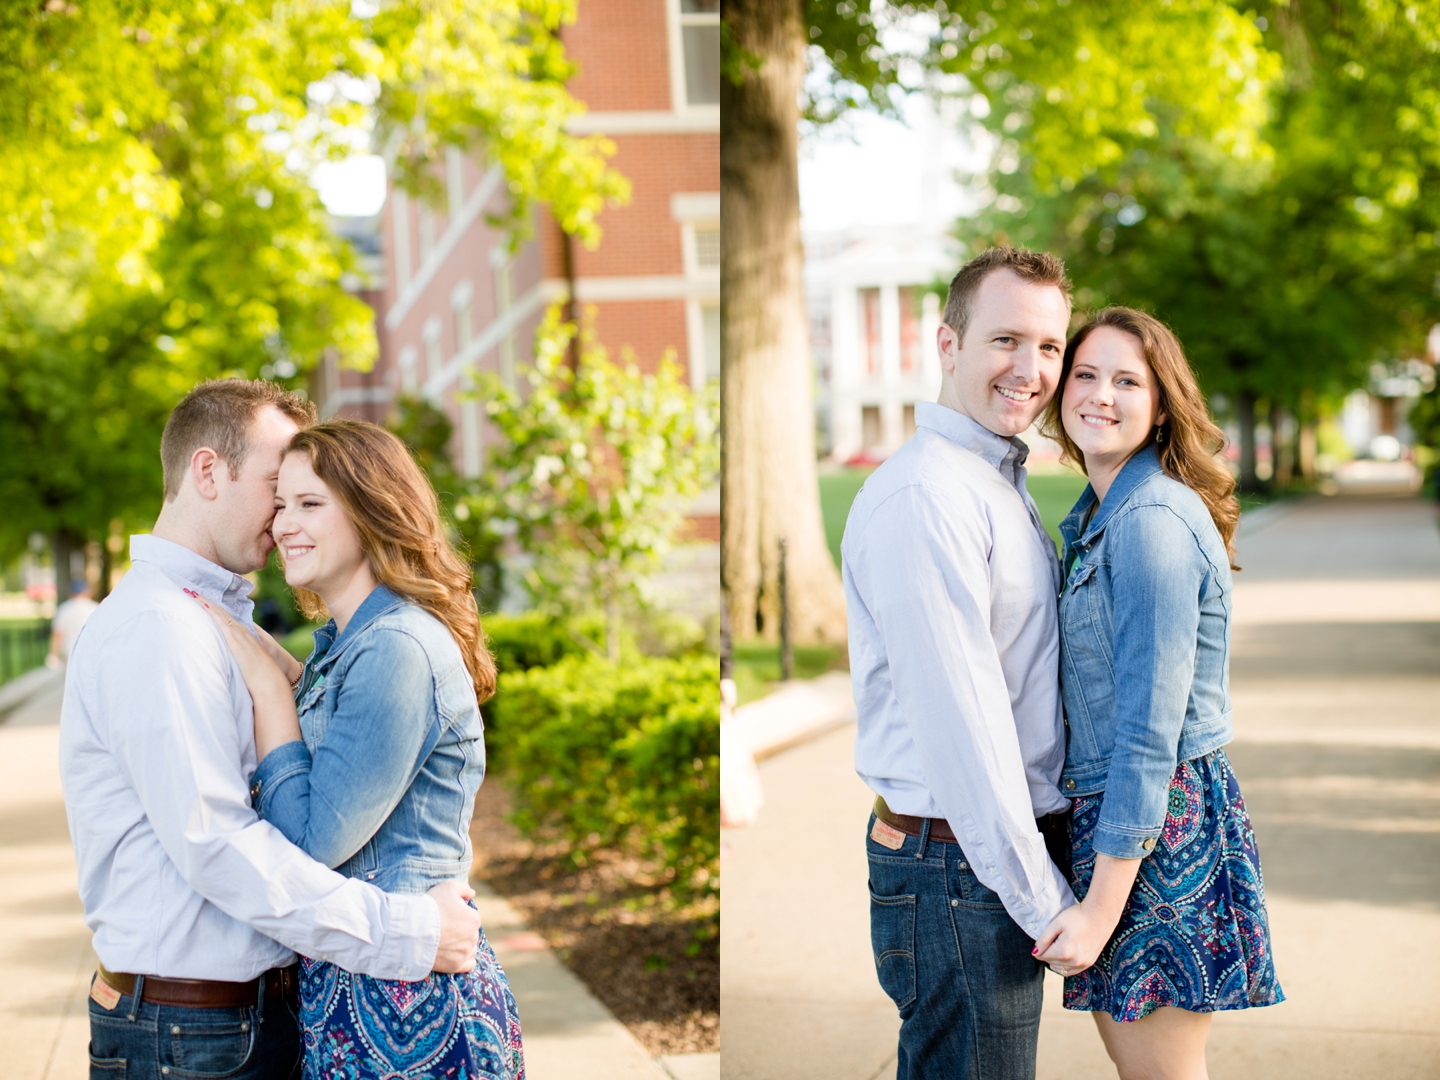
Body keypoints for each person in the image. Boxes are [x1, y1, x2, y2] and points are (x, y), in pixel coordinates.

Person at [60, 380, 484, 1080]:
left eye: (306, 499)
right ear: (207, 471)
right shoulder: (160, 627)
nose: (284, 513)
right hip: (193, 1035)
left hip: (237, 1025)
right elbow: (218, 845)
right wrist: (406, 932)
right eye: (276, 488)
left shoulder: (221, 623)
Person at [190, 418, 524, 1079]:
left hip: (409, 1004)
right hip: (364, 985)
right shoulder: (352, 647)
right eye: (281, 503)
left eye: (311, 504)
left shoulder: (395, 648)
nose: (285, 523)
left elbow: (311, 846)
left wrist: (271, 697)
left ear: (374, 513)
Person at [842, 246, 1078, 1079]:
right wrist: (1045, 903)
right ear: (948, 345)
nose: (1032, 368)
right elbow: (964, 733)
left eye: (1050, 347)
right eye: (1006, 339)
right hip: (960, 870)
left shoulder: (995, 481)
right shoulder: (928, 497)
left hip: (981, 862)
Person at [1032, 308, 1284, 1078]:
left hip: (1154, 834)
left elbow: (1149, 732)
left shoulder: (1150, 522)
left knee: (1162, 1071)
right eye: (1086, 374)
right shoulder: (1103, 514)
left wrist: (1100, 909)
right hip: (1131, 827)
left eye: (1127, 380)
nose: (1100, 394)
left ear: (1161, 403)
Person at [48, 579, 98, 667]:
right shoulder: (96, 608)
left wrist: (54, 655)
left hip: (70, 655)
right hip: (93, 654)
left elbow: (57, 634)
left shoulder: (64, 609)